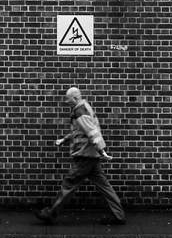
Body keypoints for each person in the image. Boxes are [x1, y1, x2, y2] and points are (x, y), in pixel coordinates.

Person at [35, 87, 126, 226]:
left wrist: (102, 150)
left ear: (75, 98)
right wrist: (65, 139)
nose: (66, 101)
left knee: (69, 183)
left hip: (85, 156)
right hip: (91, 155)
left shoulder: (80, 112)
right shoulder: (84, 108)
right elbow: (81, 130)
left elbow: (92, 132)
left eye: (68, 99)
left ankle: (50, 213)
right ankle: (119, 215)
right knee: (105, 186)